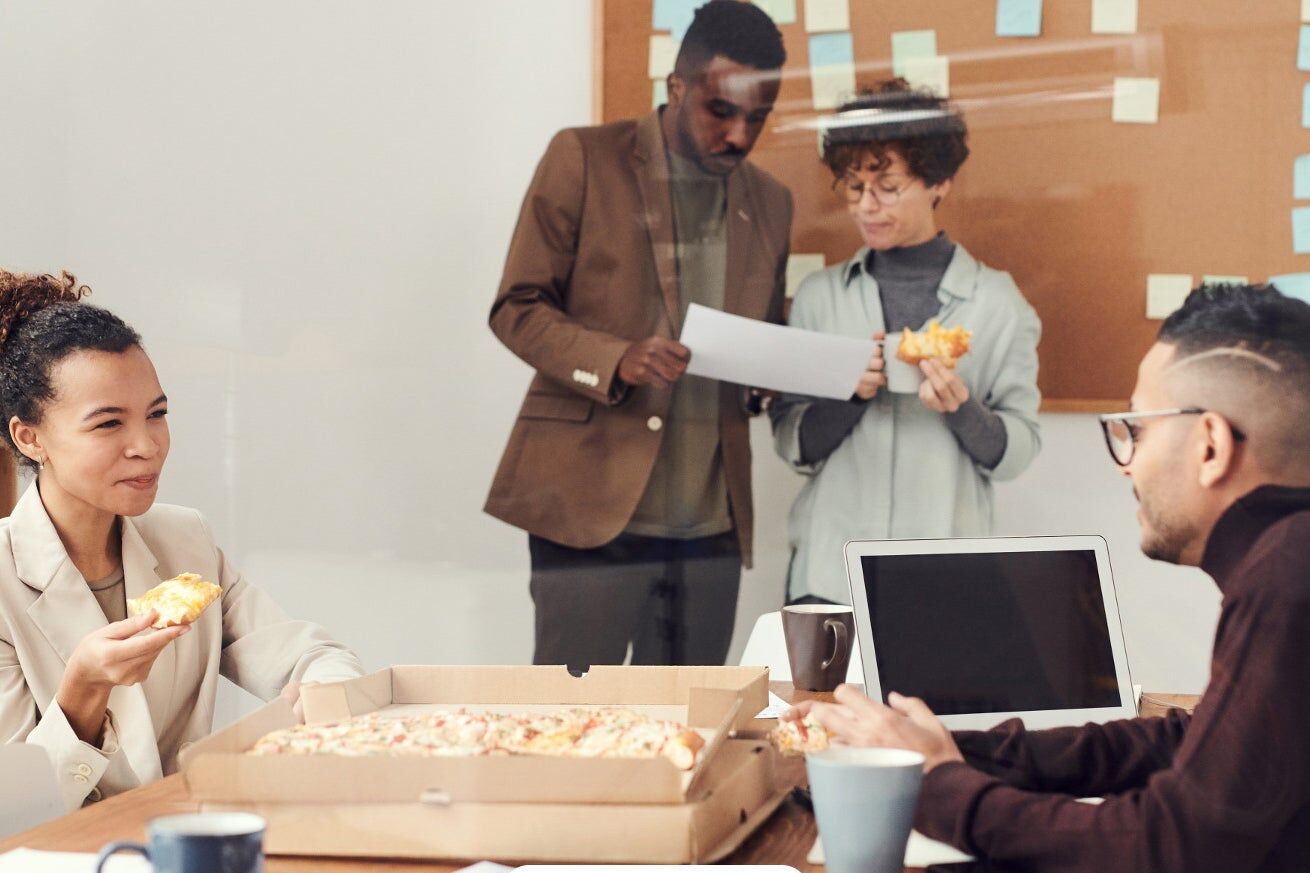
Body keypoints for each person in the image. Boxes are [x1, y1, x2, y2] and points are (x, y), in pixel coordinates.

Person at [786, 283, 1310, 871]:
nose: (1126, 466)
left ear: (1209, 446)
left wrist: (939, 786)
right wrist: (938, 751)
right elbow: (1185, 742)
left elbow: (1168, 848)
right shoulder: (1291, 558)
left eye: (1135, 432)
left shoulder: (1286, 577)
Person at [484, 1, 792, 667]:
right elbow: (516, 306)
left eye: (757, 118)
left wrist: (769, 379)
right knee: (574, 718)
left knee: (691, 721)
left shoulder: (772, 202)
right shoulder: (583, 158)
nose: (739, 135)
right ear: (677, 86)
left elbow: (762, 332)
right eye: (721, 111)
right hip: (590, 511)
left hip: (711, 529)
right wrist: (615, 359)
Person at [0, 270, 364, 810]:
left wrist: (325, 694)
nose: (146, 445)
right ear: (30, 438)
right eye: (108, 424)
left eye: (157, 414)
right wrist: (83, 689)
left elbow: (307, 656)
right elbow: (14, 809)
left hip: (188, 832)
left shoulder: (184, 538)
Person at [769, 80, 1041, 604]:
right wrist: (851, 396)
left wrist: (961, 409)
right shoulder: (820, 297)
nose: (866, 207)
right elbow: (791, 443)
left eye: (888, 187)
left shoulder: (997, 304)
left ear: (939, 183)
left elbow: (1016, 454)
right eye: (853, 187)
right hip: (829, 576)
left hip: (943, 582)